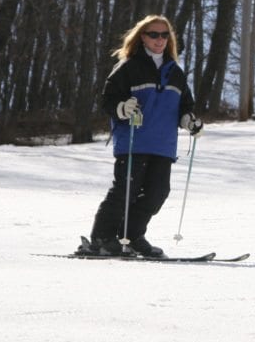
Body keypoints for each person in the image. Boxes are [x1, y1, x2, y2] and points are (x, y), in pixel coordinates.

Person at [77, 15, 203, 258]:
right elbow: (108, 99)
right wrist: (122, 108)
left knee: (158, 192)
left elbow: (185, 106)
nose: (159, 40)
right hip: (134, 141)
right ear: (142, 37)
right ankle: (102, 238)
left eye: (164, 35)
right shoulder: (128, 66)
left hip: (163, 144)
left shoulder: (175, 72)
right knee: (126, 190)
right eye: (153, 34)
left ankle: (132, 236)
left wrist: (189, 121)